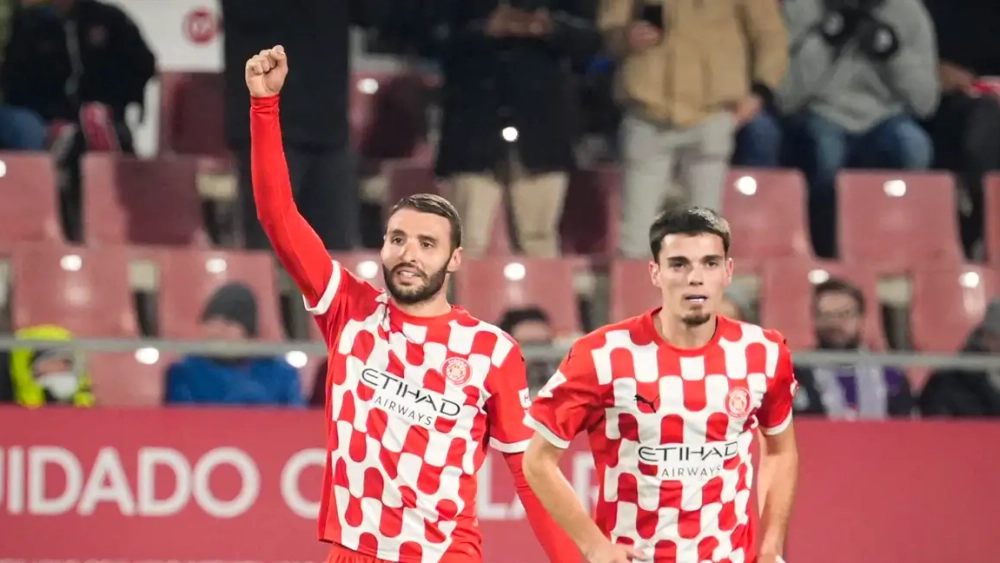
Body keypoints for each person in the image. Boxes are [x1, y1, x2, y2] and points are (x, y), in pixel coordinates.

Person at [245, 46, 574, 563]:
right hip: (353, 552)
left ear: (455, 259)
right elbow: (278, 216)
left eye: (427, 244)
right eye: (397, 238)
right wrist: (264, 109)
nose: (408, 254)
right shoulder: (348, 310)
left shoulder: (491, 352)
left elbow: (531, 479)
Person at [522, 207, 799, 563]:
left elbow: (780, 450)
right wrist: (593, 545)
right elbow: (538, 461)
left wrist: (771, 547)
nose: (695, 278)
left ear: (728, 272)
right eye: (679, 264)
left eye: (710, 263)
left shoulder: (764, 352)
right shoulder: (602, 354)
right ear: (656, 273)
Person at [164, 283, 304, 407]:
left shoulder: (281, 373)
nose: (216, 331)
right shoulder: (184, 372)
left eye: (228, 323)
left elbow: (295, 422)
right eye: (210, 322)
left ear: (248, 332)